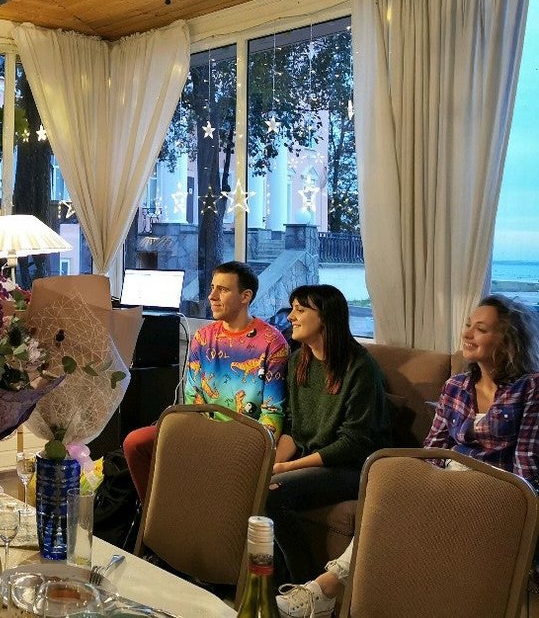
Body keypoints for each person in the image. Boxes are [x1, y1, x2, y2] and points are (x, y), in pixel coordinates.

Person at [277, 294, 539, 618]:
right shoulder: (455, 385)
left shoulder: (530, 388)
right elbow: (431, 448)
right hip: (449, 476)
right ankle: (327, 591)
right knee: (390, 495)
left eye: (481, 329)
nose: (468, 334)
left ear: (508, 339)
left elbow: (526, 463)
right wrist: (419, 484)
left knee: (401, 503)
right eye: (468, 325)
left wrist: (518, 509)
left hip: (497, 487)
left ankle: (324, 590)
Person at [122, 261, 289, 501]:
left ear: (245, 296)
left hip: (244, 437)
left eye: (223, 289)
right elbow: (193, 398)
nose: (212, 296)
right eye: (212, 288)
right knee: (135, 443)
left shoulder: (272, 342)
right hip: (202, 429)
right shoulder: (203, 337)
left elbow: (273, 412)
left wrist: (252, 447)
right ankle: (158, 512)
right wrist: (200, 433)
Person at [267, 284, 390, 588]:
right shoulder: (298, 361)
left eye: (300, 310)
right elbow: (293, 429)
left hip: (351, 467)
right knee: (256, 482)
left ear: (325, 317)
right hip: (311, 460)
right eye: (292, 309)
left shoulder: (359, 367)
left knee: (272, 495)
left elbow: (353, 443)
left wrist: (286, 468)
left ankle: (305, 587)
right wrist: (270, 464)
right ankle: (266, 587)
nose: (291, 317)